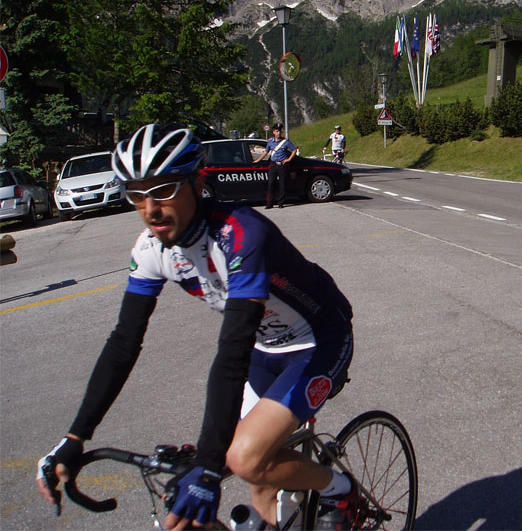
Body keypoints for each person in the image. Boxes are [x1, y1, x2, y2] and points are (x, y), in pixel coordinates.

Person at [36, 124, 356, 530]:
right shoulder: (151, 249)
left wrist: (207, 466)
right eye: (137, 194)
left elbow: (231, 350)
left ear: (195, 182)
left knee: (243, 458)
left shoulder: (241, 235)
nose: (150, 209)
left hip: (318, 340)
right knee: (230, 496)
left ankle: (338, 489)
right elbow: (123, 343)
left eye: (164, 190)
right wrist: (75, 436)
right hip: (265, 349)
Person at [254, 123, 296, 209]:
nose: (279, 133)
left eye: (280, 131)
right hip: (273, 165)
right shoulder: (270, 142)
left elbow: (294, 150)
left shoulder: (286, 142)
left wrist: (289, 159)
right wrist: (258, 160)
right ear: (273, 132)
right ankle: (270, 203)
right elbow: (265, 152)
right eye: (277, 131)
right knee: (271, 184)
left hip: (282, 165)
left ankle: (281, 203)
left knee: (282, 184)